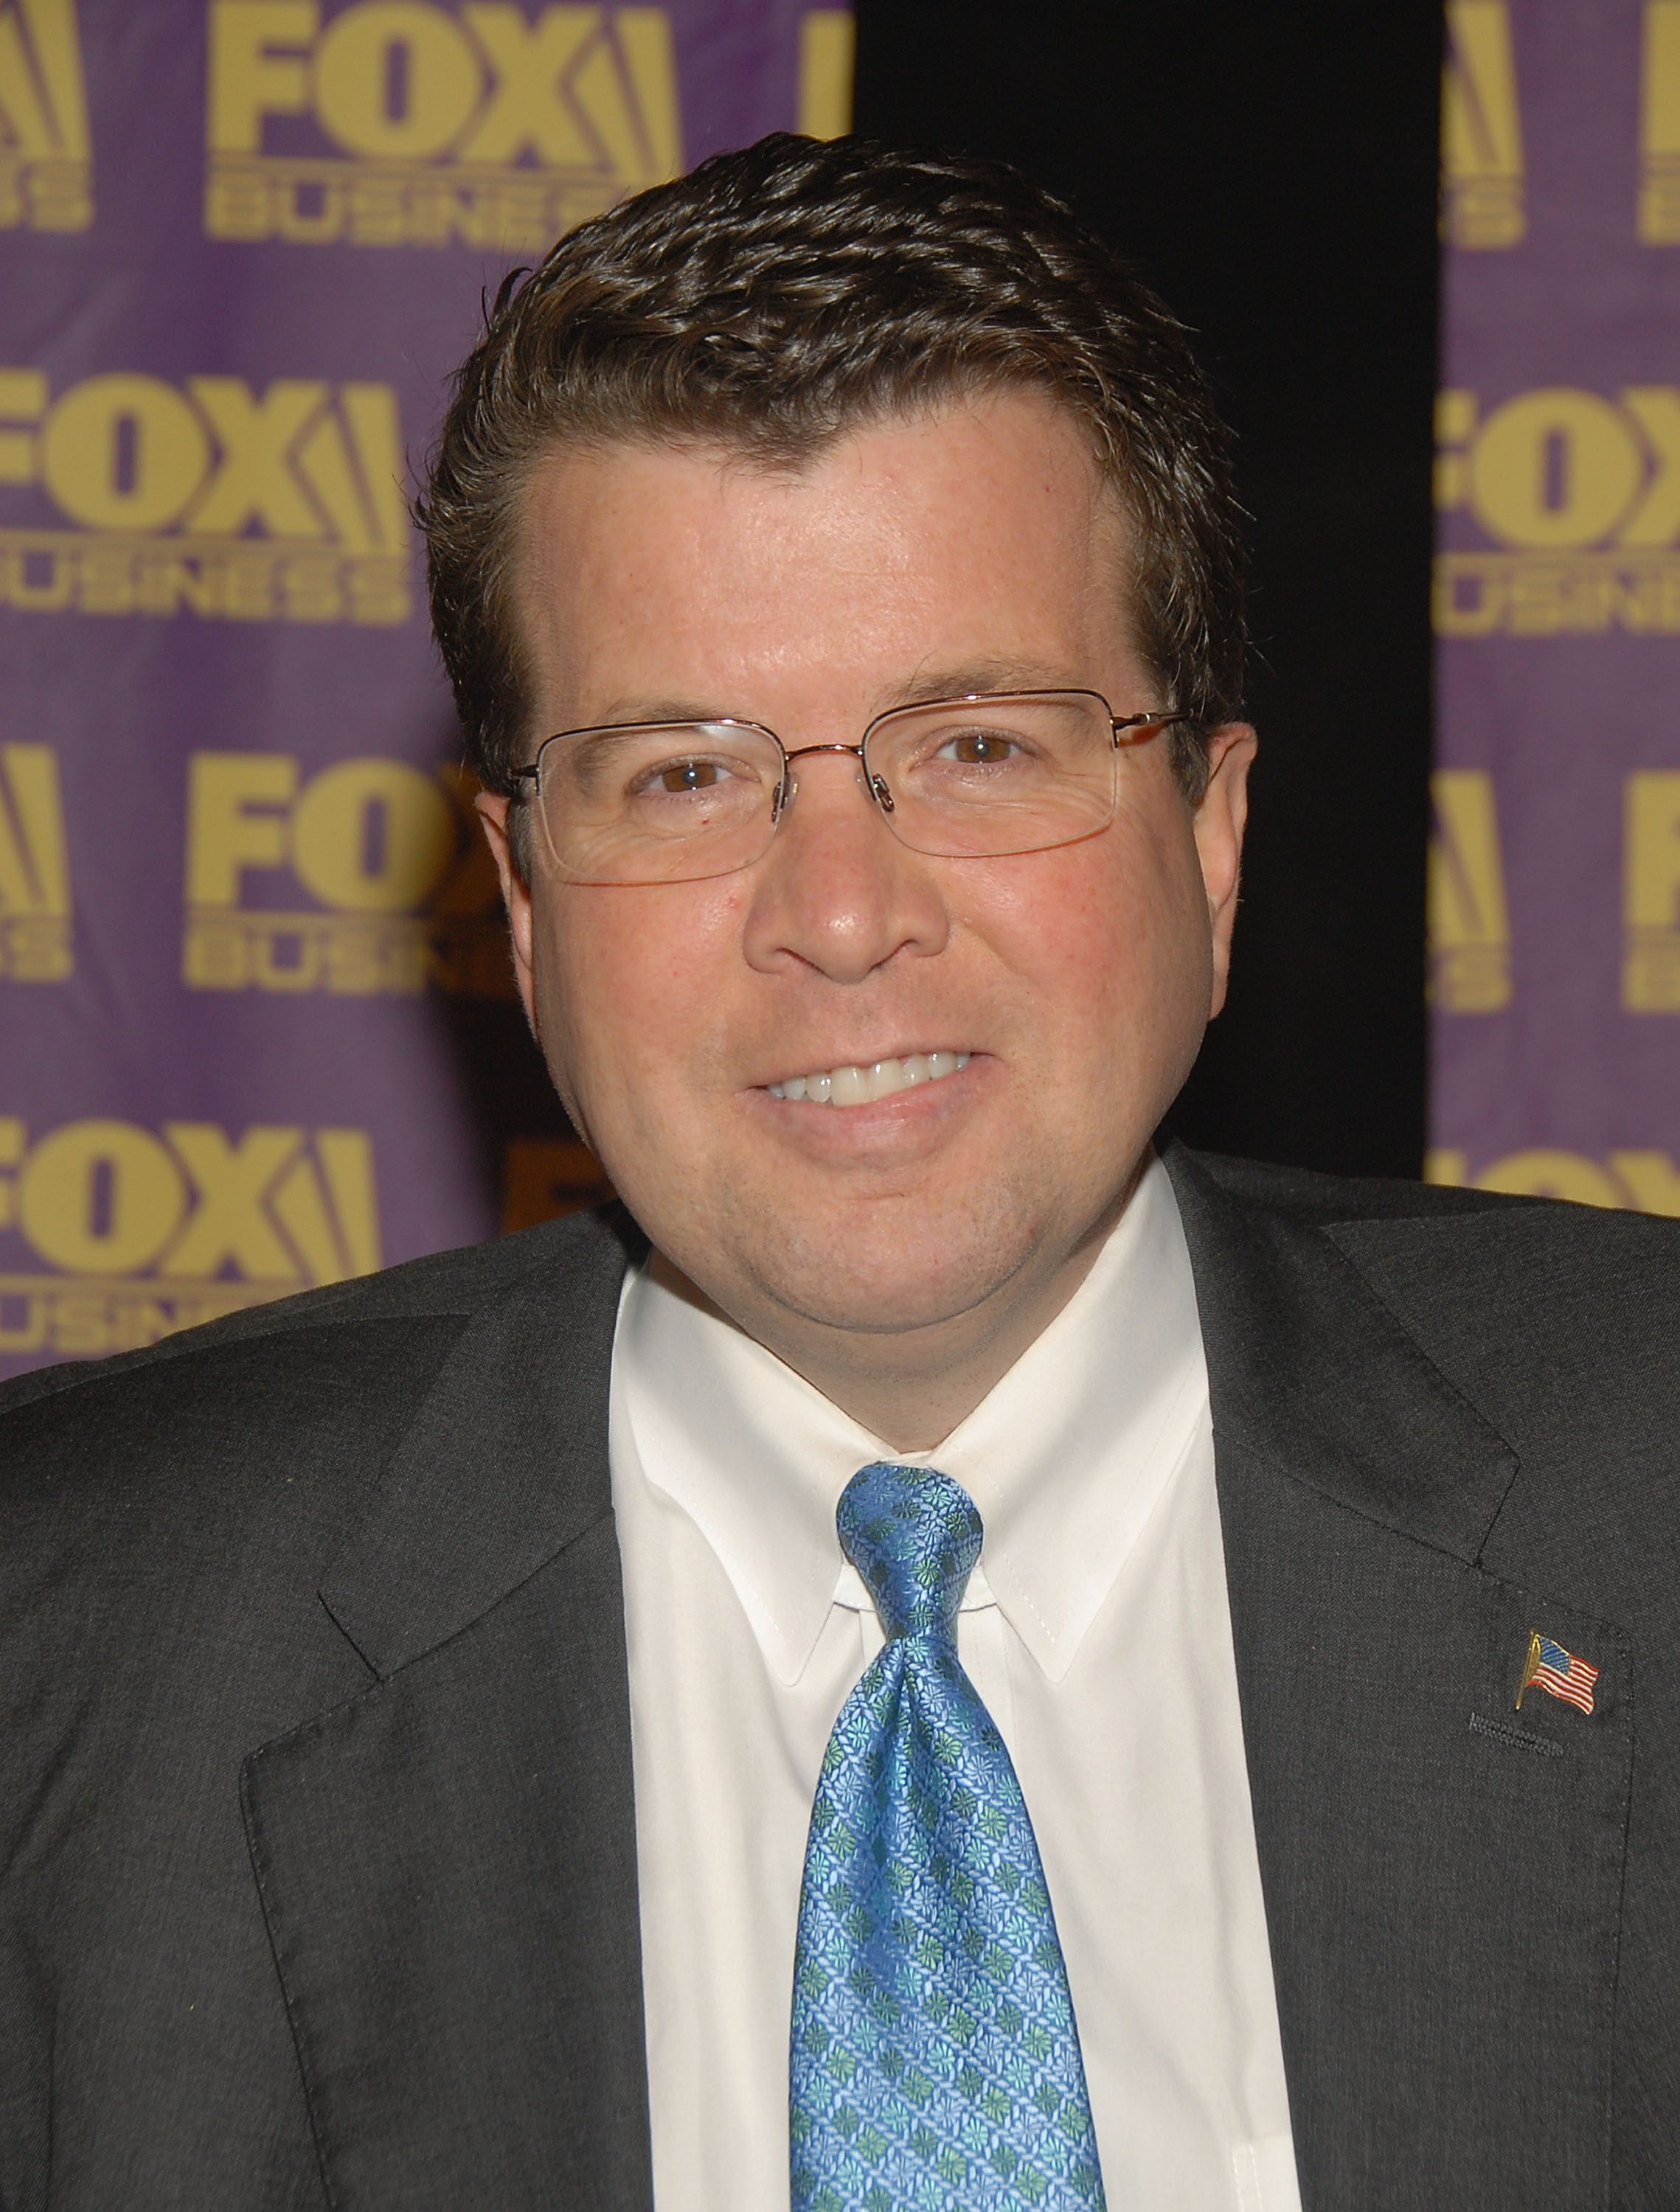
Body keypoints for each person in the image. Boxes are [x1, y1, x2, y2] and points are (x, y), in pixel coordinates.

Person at [1, 133, 1675, 2212]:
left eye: (979, 742)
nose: (845, 910)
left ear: (1214, 845)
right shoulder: (63, 1656)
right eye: (686, 774)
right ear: (521, 903)